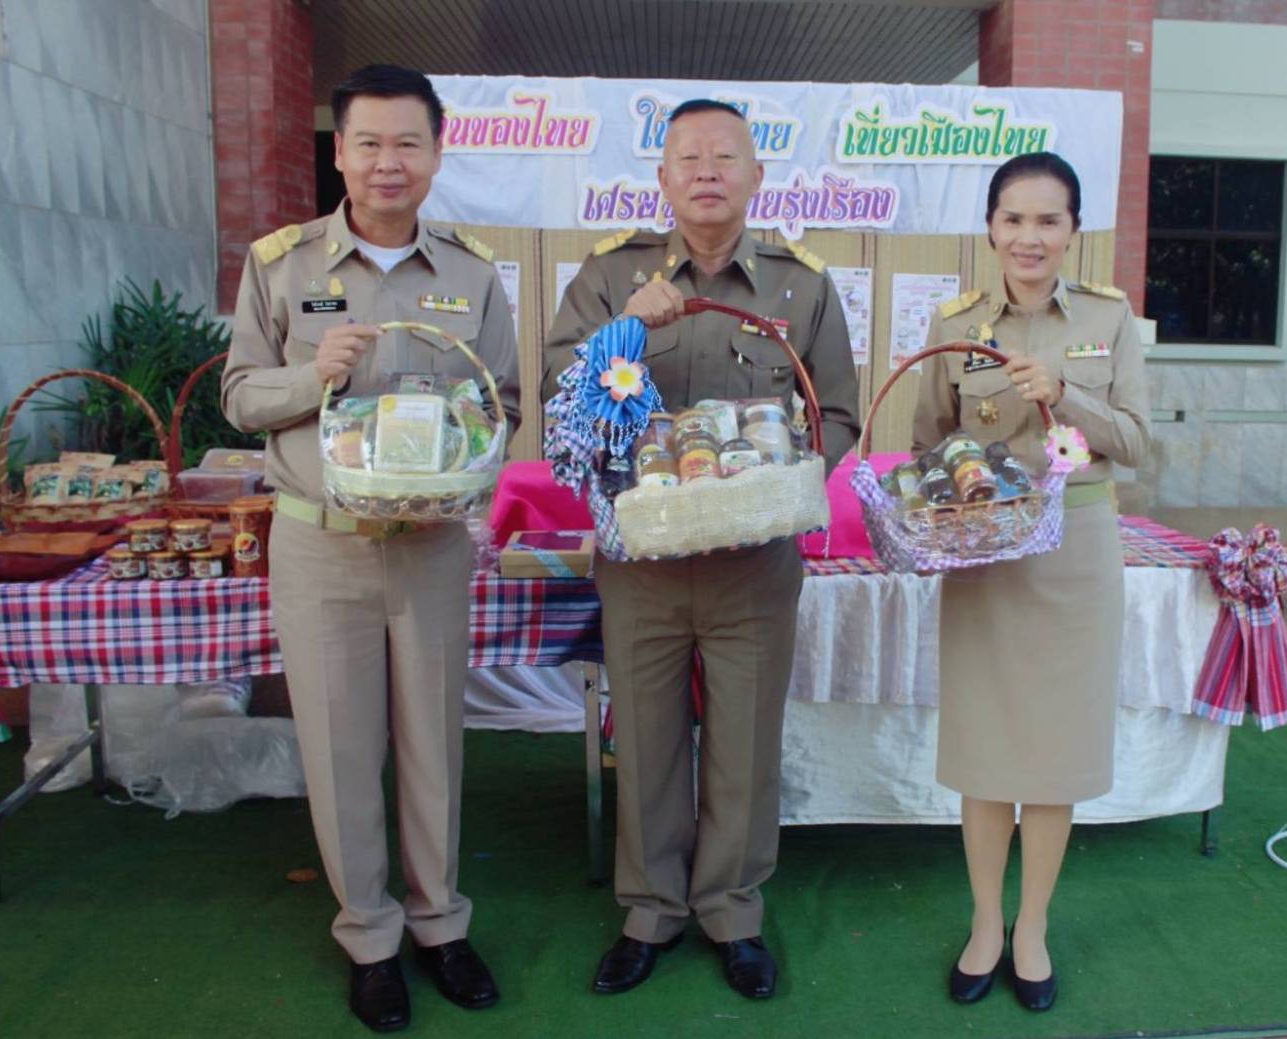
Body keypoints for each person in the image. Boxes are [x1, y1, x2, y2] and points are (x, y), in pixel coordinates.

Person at [222, 64, 521, 1034]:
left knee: (434, 742)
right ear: (340, 151)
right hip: (322, 548)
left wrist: (473, 456)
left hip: (431, 543)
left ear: (436, 154)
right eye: (369, 143)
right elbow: (238, 397)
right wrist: (314, 375)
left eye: (408, 143)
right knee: (342, 751)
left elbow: (503, 402)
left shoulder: (472, 273)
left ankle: (440, 924)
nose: (389, 162)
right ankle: (370, 937)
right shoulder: (283, 264)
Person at [542, 99, 860, 1000]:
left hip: (754, 563)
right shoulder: (611, 279)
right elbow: (559, 404)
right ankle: (648, 911)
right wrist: (626, 333)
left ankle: (731, 910)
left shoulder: (800, 287)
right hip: (642, 561)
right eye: (689, 157)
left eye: (727, 156)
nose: (708, 171)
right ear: (664, 179)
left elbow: (834, 411)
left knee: (744, 744)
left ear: (758, 176)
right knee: (642, 742)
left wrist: (782, 482)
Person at [911, 152, 1150, 1011]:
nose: (1028, 236)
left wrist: (1066, 399)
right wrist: (952, 500)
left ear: (1073, 232)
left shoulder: (1109, 318)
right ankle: (983, 923)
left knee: (1051, 754)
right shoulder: (954, 322)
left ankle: (1032, 928)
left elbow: (1137, 441)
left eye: (1048, 220)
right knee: (986, 748)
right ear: (989, 227)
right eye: (1013, 218)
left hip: (1077, 546)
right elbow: (925, 445)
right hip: (986, 551)